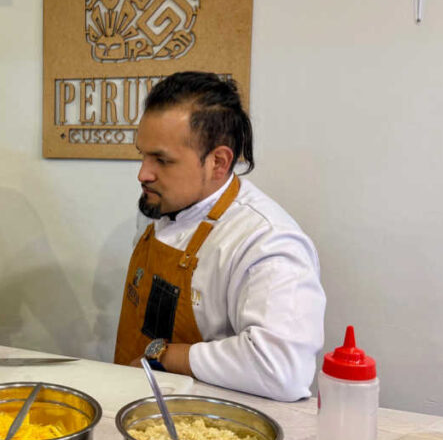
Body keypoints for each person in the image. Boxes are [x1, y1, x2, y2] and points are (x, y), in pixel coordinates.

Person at [115, 71, 325, 402]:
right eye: (142, 154)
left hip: (203, 421)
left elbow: (282, 368)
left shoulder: (265, 241)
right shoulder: (161, 203)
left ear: (218, 162)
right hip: (131, 399)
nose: (143, 173)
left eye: (162, 160)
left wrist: (164, 355)